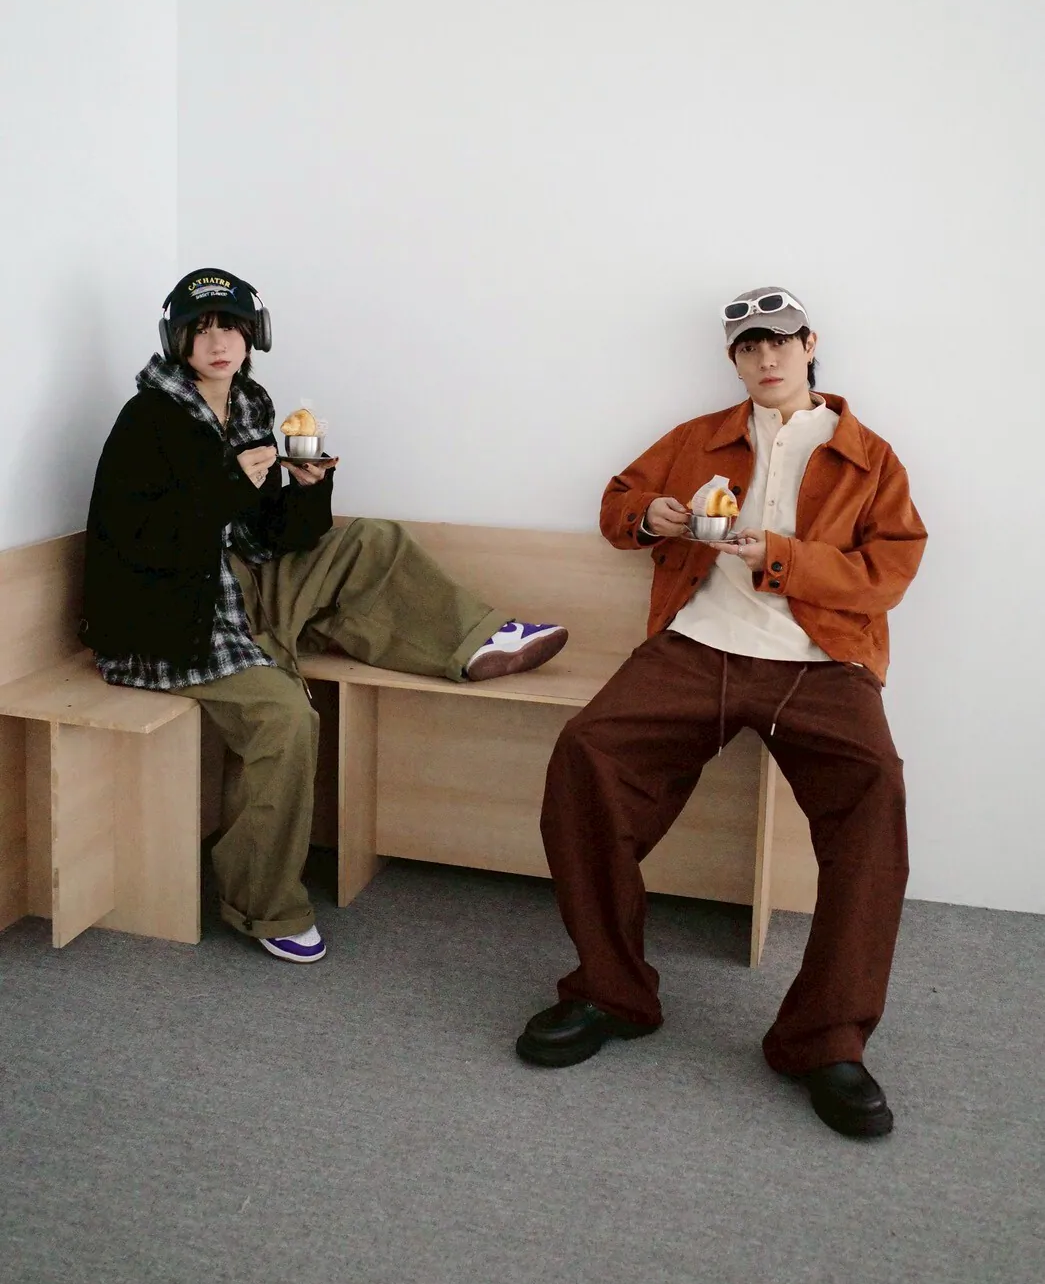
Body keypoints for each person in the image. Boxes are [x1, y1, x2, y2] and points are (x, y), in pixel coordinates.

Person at [514, 290, 926, 1139]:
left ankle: (825, 1040)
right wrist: (649, 515)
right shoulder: (697, 436)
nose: (766, 358)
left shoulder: (868, 456)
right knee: (588, 752)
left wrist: (782, 558)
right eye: (748, 346)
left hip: (821, 660)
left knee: (874, 794)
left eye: (780, 342)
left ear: (809, 345)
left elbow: (887, 572)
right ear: (733, 359)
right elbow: (617, 504)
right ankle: (610, 992)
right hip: (697, 645)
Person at [82, 269, 567, 964]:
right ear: (176, 340)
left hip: (240, 581)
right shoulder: (147, 420)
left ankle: (476, 642)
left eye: (231, 327)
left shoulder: (250, 404)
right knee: (287, 718)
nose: (218, 343)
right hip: (167, 622)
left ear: (253, 334)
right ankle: (263, 905)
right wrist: (229, 485)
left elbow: (272, 534)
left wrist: (309, 489)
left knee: (370, 538)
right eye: (201, 330)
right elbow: (142, 544)